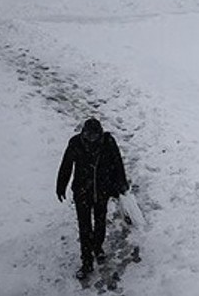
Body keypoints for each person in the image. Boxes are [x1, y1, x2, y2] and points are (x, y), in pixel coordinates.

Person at [57, 118, 130, 279]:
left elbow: (117, 163)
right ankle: (87, 262)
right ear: (83, 133)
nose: (91, 139)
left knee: (100, 221)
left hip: (102, 191)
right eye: (88, 136)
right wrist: (61, 185)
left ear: (100, 133)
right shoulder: (75, 143)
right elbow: (66, 165)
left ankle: (98, 248)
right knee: (84, 227)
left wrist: (121, 183)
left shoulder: (108, 142)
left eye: (94, 136)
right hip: (82, 192)